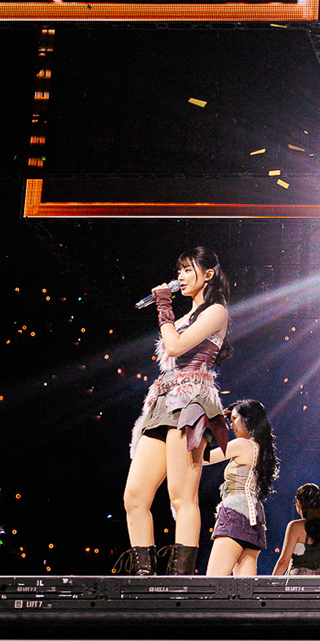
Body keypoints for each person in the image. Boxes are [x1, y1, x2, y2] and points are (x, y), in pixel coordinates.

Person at [115, 247, 233, 576]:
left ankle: (180, 578)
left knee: (181, 496)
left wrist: (164, 307)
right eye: (178, 270)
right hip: (162, 403)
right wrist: (168, 313)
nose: (180, 277)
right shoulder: (183, 319)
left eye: (187, 270)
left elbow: (175, 346)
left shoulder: (216, 312)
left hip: (192, 401)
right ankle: (145, 574)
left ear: (208, 275)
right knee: (134, 496)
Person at [204, 399, 277, 576]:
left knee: (212, 582)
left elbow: (204, 458)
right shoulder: (261, 449)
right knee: (245, 588)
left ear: (248, 419)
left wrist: (209, 427)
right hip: (253, 520)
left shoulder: (242, 444)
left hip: (235, 515)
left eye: (234, 419)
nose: (231, 425)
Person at [274, 483, 320, 576]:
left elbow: (283, 562)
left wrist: (270, 582)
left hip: (295, 581)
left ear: (299, 504)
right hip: (314, 583)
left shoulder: (295, 526)